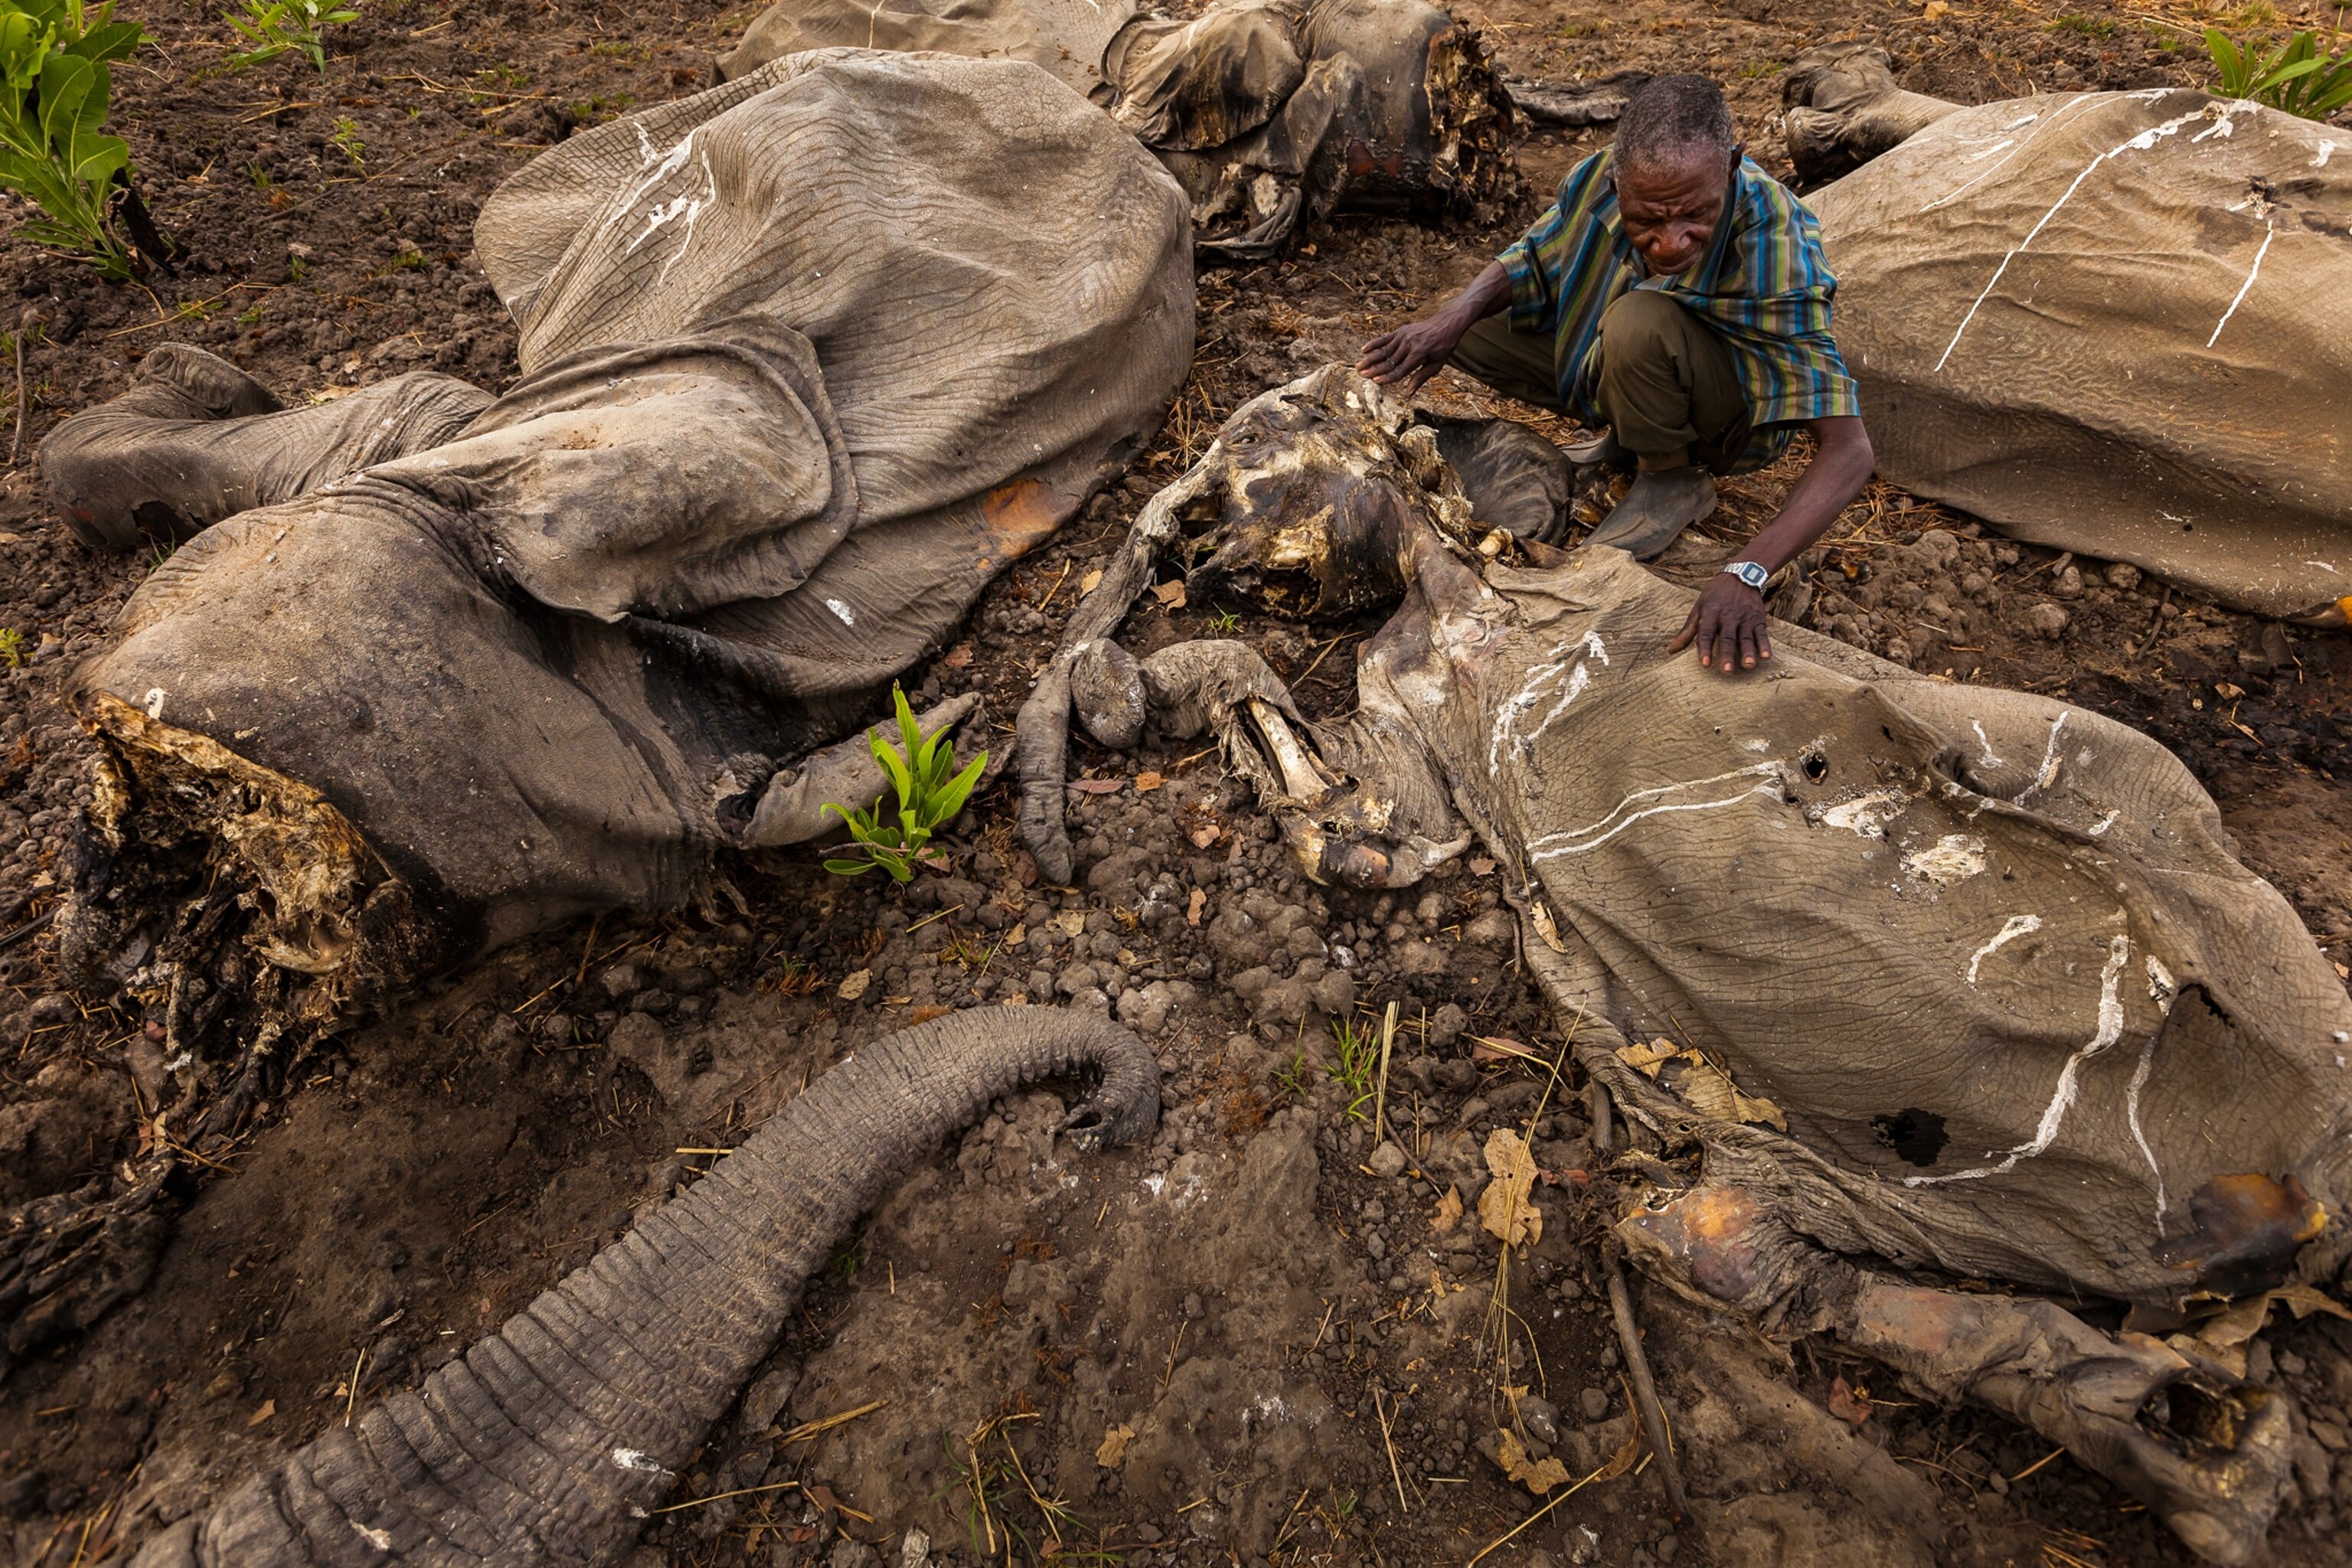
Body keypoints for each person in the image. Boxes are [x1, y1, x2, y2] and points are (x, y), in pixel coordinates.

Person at [1357, 74, 1874, 676]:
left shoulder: (1776, 247)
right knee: (1469, 316)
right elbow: (1534, 256)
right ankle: (1626, 438)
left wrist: (1747, 571)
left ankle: (1670, 477)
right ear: (1616, 182)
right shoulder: (1599, 180)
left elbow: (1850, 451)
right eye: (1646, 221)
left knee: (1638, 321)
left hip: (1722, 418)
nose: (1669, 243)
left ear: (1733, 165)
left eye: (1694, 215)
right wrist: (1448, 320)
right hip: (1619, 364)